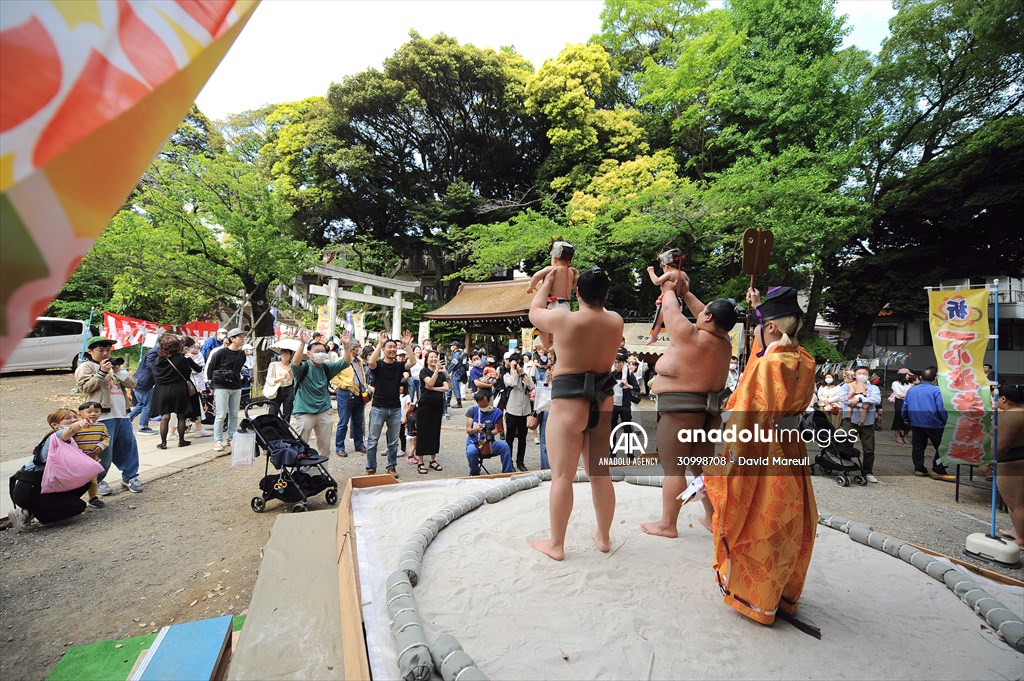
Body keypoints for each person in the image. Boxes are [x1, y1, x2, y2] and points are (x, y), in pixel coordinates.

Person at [704, 286, 817, 627]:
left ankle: (757, 599)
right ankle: (781, 595)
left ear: (770, 327)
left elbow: (747, 415)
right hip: (791, 447)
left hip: (764, 450)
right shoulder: (805, 360)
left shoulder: (769, 364)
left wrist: (726, 458)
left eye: (759, 326)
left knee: (759, 521)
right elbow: (763, 351)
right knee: (789, 523)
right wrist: (757, 309)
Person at [528, 267, 623, 561]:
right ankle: (604, 537)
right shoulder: (616, 321)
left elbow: (534, 312)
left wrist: (547, 282)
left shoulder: (564, 319)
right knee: (600, 474)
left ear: (577, 292)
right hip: (603, 401)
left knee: (562, 476)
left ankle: (557, 544)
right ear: (606, 293)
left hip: (569, 403)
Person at [641, 273, 736, 538]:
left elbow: (671, 312)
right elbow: (707, 315)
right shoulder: (724, 343)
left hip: (680, 414)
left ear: (708, 317)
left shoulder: (690, 336)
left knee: (673, 469)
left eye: (705, 311)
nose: (700, 312)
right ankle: (713, 517)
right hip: (708, 415)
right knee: (702, 468)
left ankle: (668, 524)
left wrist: (670, 289)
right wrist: (686, 292)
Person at [75, 336, 143, 493]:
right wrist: (101, 372)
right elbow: (85, 387)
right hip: (102, 416)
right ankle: (97, 481)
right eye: (101, 350)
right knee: (103, 451)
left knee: (128, 446)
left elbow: (133, 383)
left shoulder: (114, 366)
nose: (105, 354)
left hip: (122, 414)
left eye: (108, 350)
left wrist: (118, 371)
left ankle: (130, 477)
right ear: (90, 351)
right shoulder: (86, 367)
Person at [7, 409, 95, 531]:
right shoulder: (57, 436)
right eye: (67, 418)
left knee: (84, 483)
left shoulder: (69, 440)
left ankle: (44, 510)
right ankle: (26, 512)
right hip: (30, 490)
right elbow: (70, 430)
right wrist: (80, 424)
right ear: (55, 425)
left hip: (43, 486)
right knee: (78, 506)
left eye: (75, 417)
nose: (73, 420)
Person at [292, 332, 351, 458]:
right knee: (300, 447)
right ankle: (301, 469)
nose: (320, 354)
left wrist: (346, 346)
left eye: (323, 351)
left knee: (325, 447)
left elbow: (346, 362)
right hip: (304, 412)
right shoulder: (303, 368)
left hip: (324, 411)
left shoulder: (326, 367)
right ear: (309, 354)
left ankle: (323, 470)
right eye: (317, 351)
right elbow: (295, 363)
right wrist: (302, 343)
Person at [365, 331, 416, 476]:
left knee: (393, 441)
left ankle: (391, 467)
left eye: (394, 347)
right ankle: (370, 467)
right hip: (378, 407)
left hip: (395, 408)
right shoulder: (379, 365)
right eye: (389, 347)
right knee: (373, 440)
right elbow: (371, 363)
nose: (392, 349)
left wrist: (407, 346)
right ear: (383, 350)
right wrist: (380, 344)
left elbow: (412, 362)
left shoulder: (399, 366)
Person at [150, 334, 202, 450]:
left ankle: (163, 443)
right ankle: (181, 440)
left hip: (162, 390)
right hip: (179, 389)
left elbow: (155, 375)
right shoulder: (181, 360)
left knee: (165, 417)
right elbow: (187, 374)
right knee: (181, 415)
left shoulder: (158, 360)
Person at [527, 239, 579, 352]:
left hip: (554, 303)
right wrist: (576, 291)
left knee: (543, 326)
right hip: (566, 305)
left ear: (554, 258)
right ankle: (552, 344)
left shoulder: (551, 269)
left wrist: (531, 286)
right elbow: (576, 284)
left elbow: (536, 276)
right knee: (557, 328)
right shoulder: (573, 271)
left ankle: (546, 344)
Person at [902, 367, 953, 480]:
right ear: (935, 378)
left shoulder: (912, 390)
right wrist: (946, 421)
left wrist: (906, 419)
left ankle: (919, 468)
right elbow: (941, 408)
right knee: (943, 446)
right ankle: (938, 468)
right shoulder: (937, 390)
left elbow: (905, 406)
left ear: (920, 377)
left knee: (918, 446)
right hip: (934, 423)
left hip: (916, 422)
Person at [205, 328, 246, 452]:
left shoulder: (242, 354)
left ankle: (231, 437)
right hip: (221, 386)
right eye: (240, 337)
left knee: (234, 414)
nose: (242, 339)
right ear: (232, 339)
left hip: (236, 386)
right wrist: (212, 386)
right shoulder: (220, 352)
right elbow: (210, 368)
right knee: (221, 414)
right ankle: (217, 440)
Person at [840, 366, 882, 483]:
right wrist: (862, 404)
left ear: (869, 376)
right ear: (855, 375)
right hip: (850, 420)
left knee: (869, 449)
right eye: (859, 373)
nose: (862, 375)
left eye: (865, 373)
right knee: (847, 445)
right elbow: (843, 399)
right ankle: (845, 468)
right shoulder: (847, 385)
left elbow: (876, 400)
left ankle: (867, 471)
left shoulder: (873, 388)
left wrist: (858, 400)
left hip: (868, 422)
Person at [995, 384, 1024, 549]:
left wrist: (988, 462)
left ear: (1004, 399)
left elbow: (1001, 446)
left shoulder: (1010, 417)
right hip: (1019, 458)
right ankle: (1016, 530)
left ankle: (1021, 539)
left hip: (1012, 462)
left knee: (1015, 503)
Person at [331, 338, 367, 457]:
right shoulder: (341, 361)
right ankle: (340, 447)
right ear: (352, 348)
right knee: (343, 421)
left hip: (359, 394)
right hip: (345, 394)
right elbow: (334, 377)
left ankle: (359, 444)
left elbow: (362, 376)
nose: (360, 349)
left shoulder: (359, 361)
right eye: (358, 346)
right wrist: (343, 386)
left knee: (358, 421)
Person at [500, 351, 535, 472]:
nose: (517, 366)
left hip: (525, 411)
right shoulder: (506, 376)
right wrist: (513, 370)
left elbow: (531, 386)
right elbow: (513, 382)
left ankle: (520, 461)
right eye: (515, 364)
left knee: (522, 439)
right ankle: (508, 462)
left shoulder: (525, 375)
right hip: (512, 411)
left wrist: (522, 373)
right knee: (509, 438)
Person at [417, 349, 449, 474]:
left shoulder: (441, 374)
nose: (434, 359)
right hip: (425, 406)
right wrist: (436, 371)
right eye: (431, 357)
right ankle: (420, 462)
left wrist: (434, 389)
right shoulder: (424, 371)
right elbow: (429, 382)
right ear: (426, 359)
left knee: (435, 432)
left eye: (436, 357)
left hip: (437, 406)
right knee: (423, 432)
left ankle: (433, 460)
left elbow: (446, 388)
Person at [466, 390, 513, 475]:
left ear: (489, 401)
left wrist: (489, 432)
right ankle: (475, 472)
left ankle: (507, 472)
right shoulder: (472, 410)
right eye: (480, 404)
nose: (483, 406)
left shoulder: (497, 412)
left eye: (485, 404)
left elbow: (497, 429)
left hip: (489, 443)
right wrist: (475, 429)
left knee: (504, 446)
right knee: (471, 451)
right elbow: (468, 430)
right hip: (474, 442)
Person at [73, 402, 110, 508]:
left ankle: (93, 498)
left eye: (97, 411)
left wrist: (101, 446)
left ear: (101, 413)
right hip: (77, 460)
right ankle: (73, 499)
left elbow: (106, 438)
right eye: (89, 412)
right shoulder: (76, 427)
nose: (93, 414)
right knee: (76, 481)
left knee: (93, 481)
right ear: (80, 414)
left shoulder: (101, 426)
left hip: (92, 459)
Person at [645, 248, 686, 345]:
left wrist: (651, 272)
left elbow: (656, 281)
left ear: (666, 266)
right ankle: (676, 338)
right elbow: (686, 289)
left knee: (658, 321)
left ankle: (654, 337)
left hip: (667, 301)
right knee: (675, 321)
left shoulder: (670, 274)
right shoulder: (684, 274)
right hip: (679, 301)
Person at [128, 341, 159, 435]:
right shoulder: (155, 351)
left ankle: (125, 421)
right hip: (143, 382)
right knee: (148, 405)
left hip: (141, 381)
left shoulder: (155, 350)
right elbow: (150, 364)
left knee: (141, 404)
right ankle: (143, 427)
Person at [610, 349, 640, 436]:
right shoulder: (612, 373)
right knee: (612, 428)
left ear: (623, 363)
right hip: (613, 405)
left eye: (618, 362)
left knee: (627, 429)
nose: (616, 365)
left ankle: (629, 445)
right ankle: (612, 445)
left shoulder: (629, 374)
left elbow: (637, 388)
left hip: (625, 405)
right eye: (615, 362)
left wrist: (627, 385)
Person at [265, 344, 296, 422]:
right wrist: (280, 378)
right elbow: (269, 379)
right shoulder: (274, 365)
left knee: (287, 413)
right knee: (272, 412)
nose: (285, 355)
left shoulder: (293, 366)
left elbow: (293, 380)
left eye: (287, 353)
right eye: (283, 353)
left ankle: (285, 428)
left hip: (289, 390)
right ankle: (271, 428)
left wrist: (290, 372)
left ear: (291, 355)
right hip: (276, 389)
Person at [890, 369, 914, 444]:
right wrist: (909, 396)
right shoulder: (895, 383)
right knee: (898, 417)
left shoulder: (909, 384)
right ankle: (898, 436)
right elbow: (899, 395)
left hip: (909, 402)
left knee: (908, 418)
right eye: (908, 374)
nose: (909, 376)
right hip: (899, 402)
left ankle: (905, 437)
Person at [446, 341, 466, 410]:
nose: (451, 347)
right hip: (457, 371)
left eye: (452, 345)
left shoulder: (457, 354)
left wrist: (448, 371)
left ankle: (459, 402)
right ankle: (448, 402)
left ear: (455, 346)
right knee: (451, 385)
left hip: (456, 371)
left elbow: (454, 363)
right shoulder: (458, 353)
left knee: (455, 386)